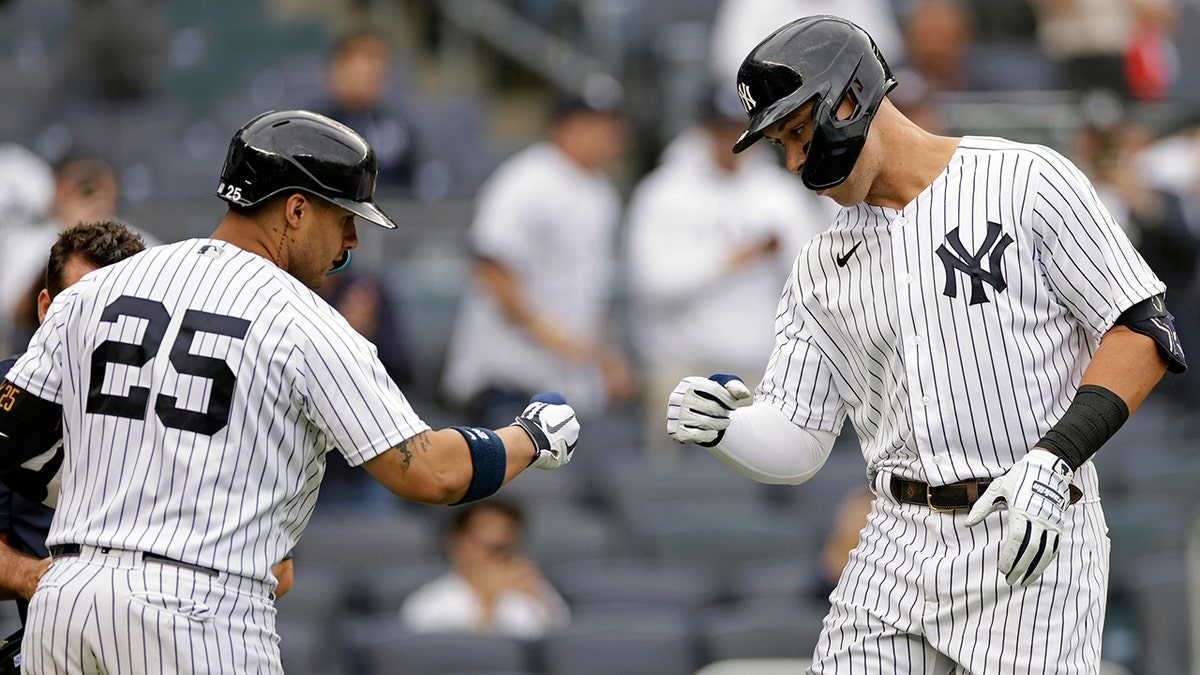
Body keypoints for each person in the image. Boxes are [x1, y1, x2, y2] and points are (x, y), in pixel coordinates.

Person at [667, 16, 1184, 673]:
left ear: (849, 97)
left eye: (798, 131)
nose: (795, 160)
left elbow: (1143, 328)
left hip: (1030, 535)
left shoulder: (1024, 179)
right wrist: (726, 429)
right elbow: (799, 436)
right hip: (895, 538)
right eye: (780, 144)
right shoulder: (822, 264)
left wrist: (1057, 458)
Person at [0, 109, 580, 674]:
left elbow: (9, 437)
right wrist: (530, 436)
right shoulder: (307, 322)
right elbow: (433, 473)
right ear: (296, 210)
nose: (351, 240)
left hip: (66, 602)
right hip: (196, 612)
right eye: (344, 217)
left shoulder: (96, 291)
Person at [626, 85, 832, 459]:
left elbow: (813, 282)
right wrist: (736, 258)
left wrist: (774, 251)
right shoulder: (663, 193)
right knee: (674, 495)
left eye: (738, 130)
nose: (730, 141)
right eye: (720, 129)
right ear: (702, 131)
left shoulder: (778, 195)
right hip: (681, 371)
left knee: (760, 493)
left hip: (762, 374)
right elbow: (655, 283)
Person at [441, 92, 634, 428]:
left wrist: (604, 359)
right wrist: (554, 337)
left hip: (565, 384)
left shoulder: (602, 194)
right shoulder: (526, 179)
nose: (609, 136)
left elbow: (590, 291)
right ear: (566, 127)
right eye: (597, 125)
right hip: (508, 379)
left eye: (610, 125)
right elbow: (491, 270)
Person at [400, 497, 569, 639]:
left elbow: (564, 645)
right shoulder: (428, 603)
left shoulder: (532, 590)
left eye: (503, 546)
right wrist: (487, 603)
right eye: (486, 545)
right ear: (456, 541)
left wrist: (539, 596)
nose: (497, 538)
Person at [312, 27, 422, 194]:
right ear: (339, 67)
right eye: (367, 58)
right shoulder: (312, 126)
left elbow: (412, 184)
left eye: (380, 59)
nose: (377, 68)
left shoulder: (396, 127)